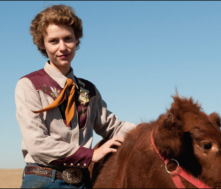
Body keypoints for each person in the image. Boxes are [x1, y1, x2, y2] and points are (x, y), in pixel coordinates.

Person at [15, 4, 136, 188]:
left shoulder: (89, 90)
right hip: (43, 179)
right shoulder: (29, 84)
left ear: (77, 40)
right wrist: (91, 155)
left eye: (68, 39)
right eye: (54, 41)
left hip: (83, 182)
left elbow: (113, 127)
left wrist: (152, 131)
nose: (62, 47)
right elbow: (37, 144)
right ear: (42, 43)